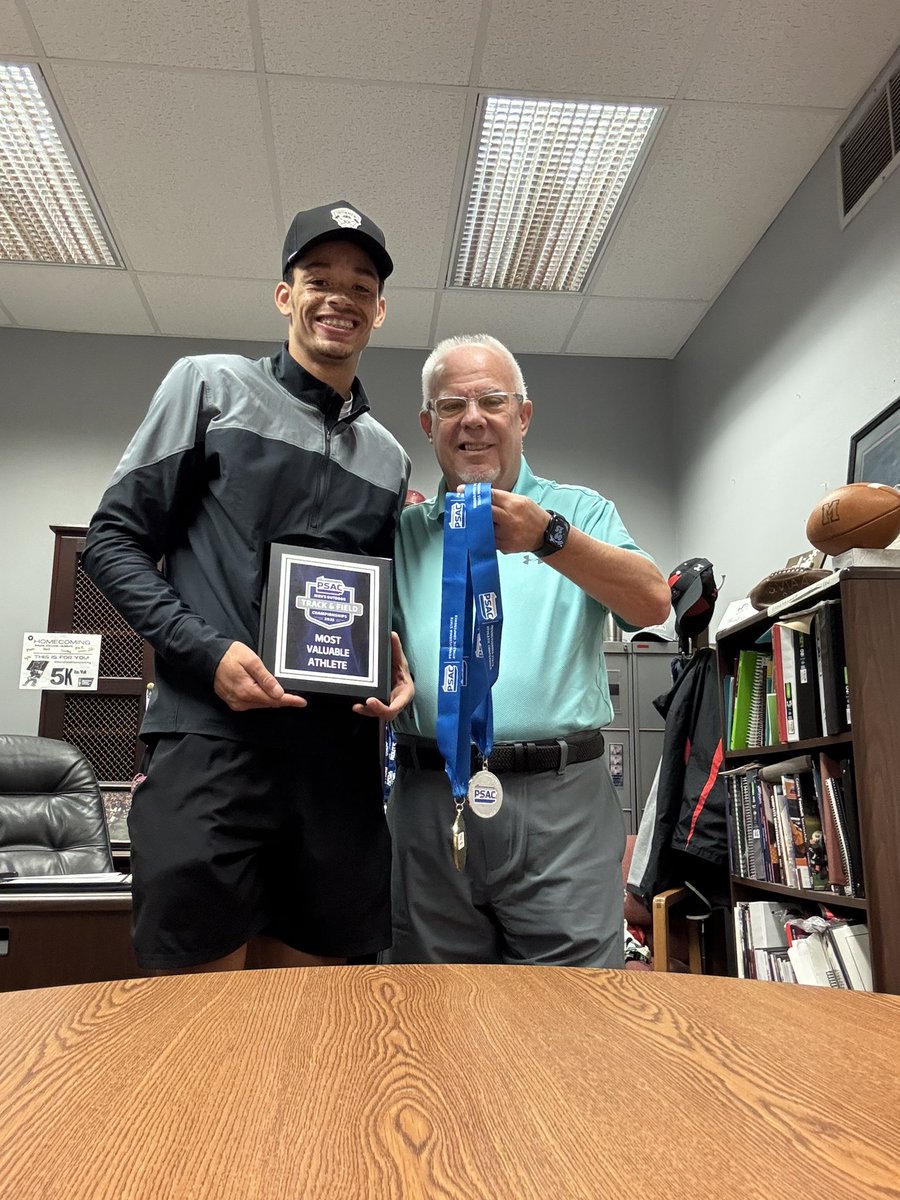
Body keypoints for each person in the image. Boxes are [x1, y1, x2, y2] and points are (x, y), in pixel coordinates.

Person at [83, 201, 413, 974]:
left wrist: (390, 655)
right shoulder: (208, 386)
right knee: (196, 1026)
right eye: (318, 279)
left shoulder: (390, 458)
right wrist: (205, 651)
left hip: (334, 773)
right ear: (284, 295)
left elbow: (368, 594)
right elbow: (113, 541)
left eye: (360, 286)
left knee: (321, 1030)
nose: (340, 297)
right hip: (211, 747)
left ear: (380, 309)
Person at [386, 334, 670, 967]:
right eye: (453, 405)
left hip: (561, 802)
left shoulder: (579, 512)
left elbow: (653, 604)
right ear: (429, 425)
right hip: (432, 796)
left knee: (573, 1026)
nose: (474, 420)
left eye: (492, 400)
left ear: (523, 415)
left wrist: (549, 537)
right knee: (438, 1018)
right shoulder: (401, 532)